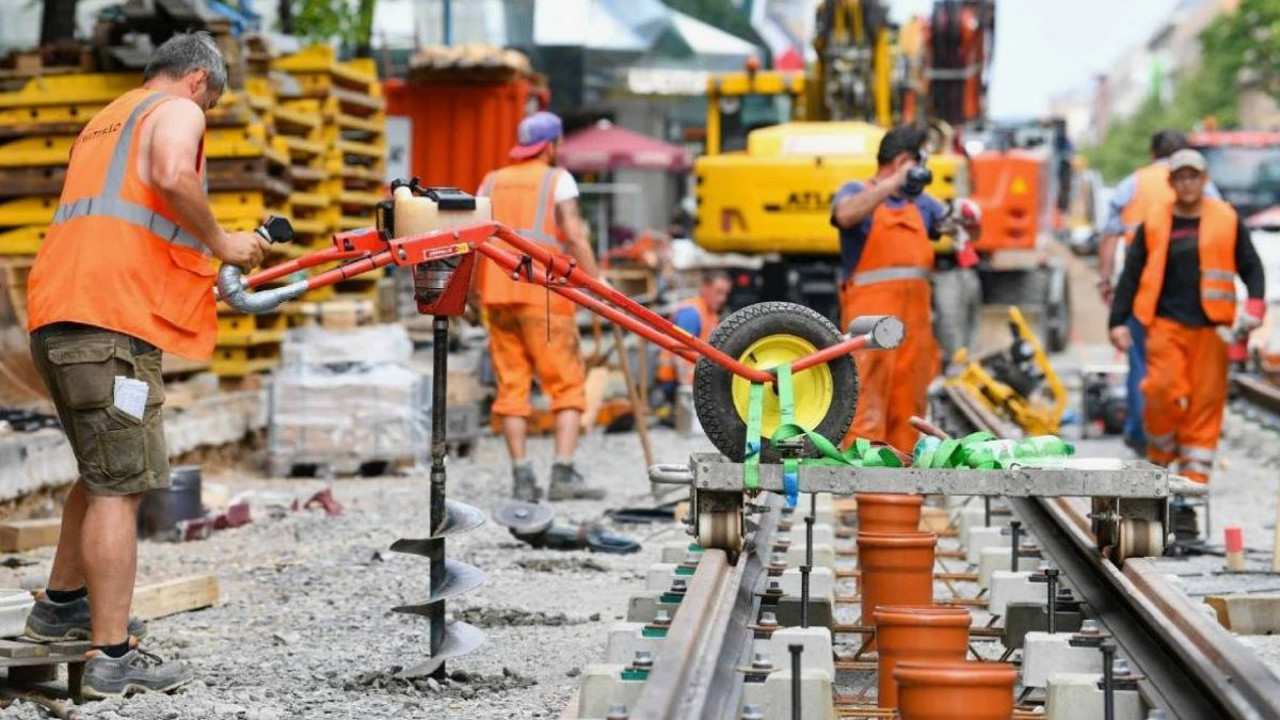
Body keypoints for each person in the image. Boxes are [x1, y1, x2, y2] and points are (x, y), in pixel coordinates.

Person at [24, 33, 269, 698]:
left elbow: (129, 216)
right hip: (110, 321)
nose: (207, 116)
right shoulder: (179, 110)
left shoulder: (109, 117)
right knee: (121, 487)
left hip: (62, 312)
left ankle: (61, 606)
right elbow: (169, 174)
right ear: (197, 82)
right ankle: (110, 656)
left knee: (103, 471)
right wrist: (221, 242)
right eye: (212, 104)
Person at [1108, 149, 1264, 484]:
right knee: (1160, 390)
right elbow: (1131, 275)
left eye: (1193, 176)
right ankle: (1161, 460)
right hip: (1166, 324)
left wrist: (1254, 307)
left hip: (1212, 329)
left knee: (1205, 404)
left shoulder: (1226, 217)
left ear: (1203, 180)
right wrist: (1117, 321)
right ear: (1171, 182)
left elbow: (1251, 266)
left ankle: (1191, 489)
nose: (1187, 183)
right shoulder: (1155, 221)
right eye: (1181, 177)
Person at [476, 111, 604, 502]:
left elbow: (474, 236)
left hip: (496, 294)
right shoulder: (557, 178)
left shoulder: (491, 180)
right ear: (551, 146)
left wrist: (470, 293)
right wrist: (597, 283)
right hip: (542, 294)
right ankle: (562, 474)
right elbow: (575, 233)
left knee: (511, 387)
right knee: (565, 385)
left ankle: (522, 477)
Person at [1097, 129, 1220, 455]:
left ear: (1152, 154)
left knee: (1143, 366)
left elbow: (1110, 234)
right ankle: (1179, 436)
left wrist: (1106, 280)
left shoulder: (1132, 184)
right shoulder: (1206, 186)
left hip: (1143, 291)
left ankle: (1142, 436)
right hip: (1193, 294)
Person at [830, 125, 948, 453]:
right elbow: (844, 214)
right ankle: (861, 486)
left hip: (914, 329)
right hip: (871, 328)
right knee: (865, 399)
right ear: (902, 162)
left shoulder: (921, 204)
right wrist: (891, 185)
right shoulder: (857, 191)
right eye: (922, 159)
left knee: (909, 404)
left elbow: (950, 223)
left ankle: (901, 492)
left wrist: (969, 218)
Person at [656, 270, 732, 404]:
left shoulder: (710, 314)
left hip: (694, 384)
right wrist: (686, 391)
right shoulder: (691, 313)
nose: (722, 299)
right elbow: (679, 352)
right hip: (676, 386)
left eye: (725, 294)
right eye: (718, 292)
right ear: (705, 288)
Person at [930, 198, 983, 367]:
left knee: (970, 322)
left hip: (965, 270)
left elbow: (976, 234)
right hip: (943, 272)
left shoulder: (960, 210)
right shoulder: (929, 208)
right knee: (948, 326)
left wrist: (966, 222)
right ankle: (951, 364)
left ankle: (968, 362)